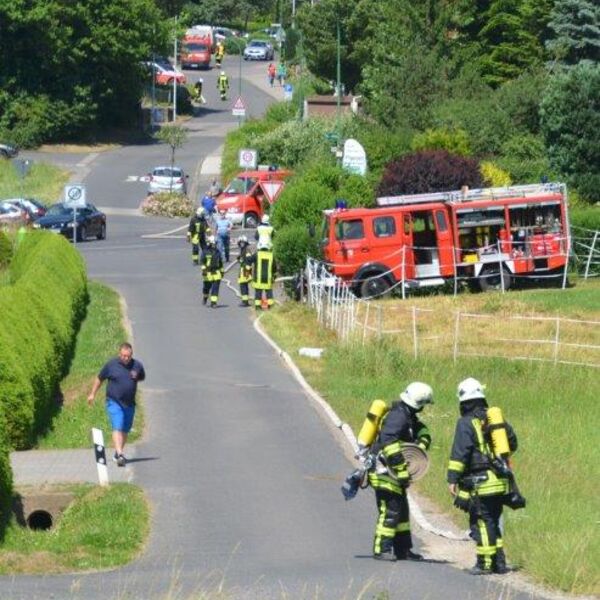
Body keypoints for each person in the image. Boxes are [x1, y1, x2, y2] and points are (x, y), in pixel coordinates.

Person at [447, 377, 518, 575]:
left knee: (482, 521)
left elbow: (460, 453)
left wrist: (452, 478)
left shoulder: (465, 423)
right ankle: (500, 563)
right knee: (494, 521)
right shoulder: (494, 419)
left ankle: (485, 563)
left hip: (482, 484)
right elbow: (512, 443)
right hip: (501, 481)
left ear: (463, 401)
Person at [366, 382, 433, 561]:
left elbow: (420, 431)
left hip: (392, 472)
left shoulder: (406, 415)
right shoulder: (398, 417)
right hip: (384, 472)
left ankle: (403, 550)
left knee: (402, 512)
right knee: (390, 510)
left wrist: (422, 442)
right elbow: (389, 443)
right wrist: (402, 470)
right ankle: (382, 549)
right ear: (418, 403)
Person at [87, 343, 145, 467]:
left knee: (125, 429)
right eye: (123, 356)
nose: (126, 358)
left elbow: (141, 377)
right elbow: (99, 378)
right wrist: (92, 394)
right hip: (114, 401)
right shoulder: (111, 365)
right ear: (119, 354)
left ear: (131, 355)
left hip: (129, 403)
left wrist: (130, 383)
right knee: (117, 426)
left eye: (128, 356)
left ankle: (117, 454)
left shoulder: (137, 366)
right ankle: (120, 454)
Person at [250, 242, 275, 310]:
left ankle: (258, 307)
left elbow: (249, 260)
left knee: (258, 293)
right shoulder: (271, 255)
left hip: (258, 278)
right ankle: (270, 306)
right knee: (269, 293)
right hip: (268, 278)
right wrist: (273, 276)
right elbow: (274, 267)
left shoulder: (257, 254)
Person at [201, 235, 224, 307]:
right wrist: (204, 270)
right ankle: (205, 297)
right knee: (206, 287)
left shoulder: (217, 252)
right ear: (210, 243)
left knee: (215, 288)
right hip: (207, 273)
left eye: (215, 244)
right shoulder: (205, 252)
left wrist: (222, 271)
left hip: (216, 272)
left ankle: (213, 302)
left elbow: (220, 262)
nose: (215, 245)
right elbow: (202, 261)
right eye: (214, 244)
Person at [237, 235, 253, 306]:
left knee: (243, 285)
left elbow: (249, 259)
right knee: (244, 285)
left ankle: (245, 301)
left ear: (245, 242)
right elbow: (243, 260)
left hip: (245, 270)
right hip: (244, 269)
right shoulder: (243, 249)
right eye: (240, 242)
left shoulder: (246, 249)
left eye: (242, 242)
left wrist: (247, 271)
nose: (241, 244)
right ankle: (245, 301)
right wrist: (239, 259)